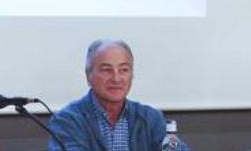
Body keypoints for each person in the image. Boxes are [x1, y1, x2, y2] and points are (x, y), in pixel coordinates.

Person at [48, 39, 189, 151]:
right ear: (88, 76)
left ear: (132, 75)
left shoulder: (151, 118)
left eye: (124, 70)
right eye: (106, 70)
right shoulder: (67, 120)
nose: (116, 78)